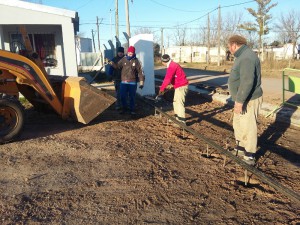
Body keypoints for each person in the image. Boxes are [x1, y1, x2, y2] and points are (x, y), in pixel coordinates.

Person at [227, 35, 263, 166]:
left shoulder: (247, 57)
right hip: (241, 98)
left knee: (248, 126)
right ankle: (241, 147)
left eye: (229, 46)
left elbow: (247, 82)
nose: (229, 49)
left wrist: (240, 101)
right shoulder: (242, 56)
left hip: (249, 99)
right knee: (239, 124)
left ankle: (249, 155)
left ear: (234, 44)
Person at [110, 46, 145, 115]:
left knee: (132, 97)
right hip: (123, 82)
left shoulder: (137, 61)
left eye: (131, 53)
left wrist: (141, 82)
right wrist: (111, 63)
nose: (130, 54)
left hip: (132, 82)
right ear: (127, 52)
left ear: (134, 53)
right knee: (123, 96)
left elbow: (141, 72)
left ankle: (132, 109)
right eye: (129, 53)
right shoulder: (123, 59)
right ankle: (124, 108)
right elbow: (117, 66)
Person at [159, 54, 189, 124]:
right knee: (176, 102)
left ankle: (181, 122)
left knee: (179, 103)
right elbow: (174, 77)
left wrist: (162, 88)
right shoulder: (172, 65)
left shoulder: (172, 66)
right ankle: (177, 119)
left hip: (181, 87)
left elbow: (167, 78)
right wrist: (171, 85)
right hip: (179, 86)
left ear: (163, 61)